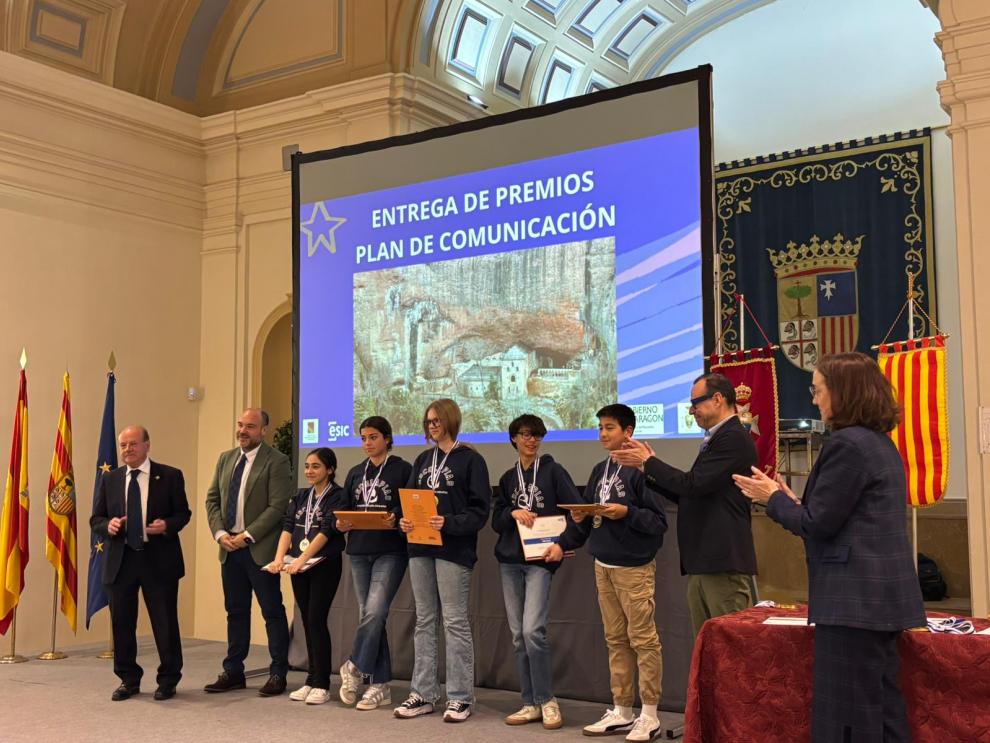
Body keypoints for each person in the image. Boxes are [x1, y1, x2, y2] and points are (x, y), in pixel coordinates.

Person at [733, 352, 925, 742]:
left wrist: (772, 498)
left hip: (853, 601)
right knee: (880, 709)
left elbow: (817, 525)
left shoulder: (847, 445)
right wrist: (791, 501)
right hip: (875, 599)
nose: (815, 399)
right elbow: (843, 515)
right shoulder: (878, 443)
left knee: (848, 716)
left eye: (818, 390)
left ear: (843, 392)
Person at [611, 373, 757, 637]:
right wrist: (648, 469)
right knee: (707, 649)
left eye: (695, 403)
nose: (692, 411)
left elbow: (693, 485)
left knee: (730, 649)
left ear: (717, 399)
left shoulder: (732, 437)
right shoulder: (716, 439)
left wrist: (649, 463)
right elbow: (692, 493)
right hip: (704, 560)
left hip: (722, 561)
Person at [570, 404, 667, 743]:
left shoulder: (642, 470)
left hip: (634, 568)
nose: (602, 434)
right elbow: (591, 509)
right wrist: (582, 516)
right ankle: (622, 710)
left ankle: (650, 715)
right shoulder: (600, 469)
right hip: (603, 565)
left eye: (609, 427)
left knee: (644, 640)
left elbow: (658, 522)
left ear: (628, 431)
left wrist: (626, 513)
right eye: (600, 427)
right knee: (615, 640)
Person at [394, 398, 491, 723]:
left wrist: (448, 523)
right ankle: (423, 693)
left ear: (450, 420)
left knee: (454, 622)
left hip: (453, 550)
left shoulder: (470, 460)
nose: (432, 426)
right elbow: (407, 502)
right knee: (424, 620)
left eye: (437, 421)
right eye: (428, 422)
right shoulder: (422, 460)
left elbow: (479, 511)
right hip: (420, 548)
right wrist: (403, 521)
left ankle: (460, 697)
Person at [492, 414, 582, 730]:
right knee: (519, 636)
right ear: (514, 438)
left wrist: (563, 544)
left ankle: (547, 700)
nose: (532, 440)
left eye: (537, 435)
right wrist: (511, 512)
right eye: (526, 435)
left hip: (539, 562)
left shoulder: (554, 472)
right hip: (510, 562)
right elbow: (496, 520)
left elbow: (578, 514)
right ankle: (529, 702)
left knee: (533, 631)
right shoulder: (507, 478)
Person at [90, 425, 191, 701]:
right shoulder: (110, 479)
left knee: (165, 622)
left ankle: (168, 679)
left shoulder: (169, 475)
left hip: (157, 560)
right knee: (122, 623)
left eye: (133, 444)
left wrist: (166, 525)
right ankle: (128, 679)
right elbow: (95, 519)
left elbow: (183, 513)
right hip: (121, 561)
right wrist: (107, 525)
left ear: (147, 445)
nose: (127, 450)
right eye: (123, 445)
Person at [204, 408, 294, 696]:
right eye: (240, 425)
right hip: (229, 550)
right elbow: (212, 499)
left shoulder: (277, 461)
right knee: (236, 612)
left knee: (272, 612)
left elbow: (278, 506)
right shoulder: (226, 458)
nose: (243, 431)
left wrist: (247, 535)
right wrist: (221, 534)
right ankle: (233, 670)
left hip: (260, 549)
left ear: (263, 431)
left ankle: (278, 672)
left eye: (250, 427)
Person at [337, 417, 412, 711]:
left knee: (375, 610)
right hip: (359, 550)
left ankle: (354, 666)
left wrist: (394, 514)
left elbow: (406, 504)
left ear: (387, 438)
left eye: (373, 437)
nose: (367, 443)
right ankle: (379, 685)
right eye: (364, 438)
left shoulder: (402, 469)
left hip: (391, 550)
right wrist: (342, 523)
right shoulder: (356, 473)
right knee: (370, 615)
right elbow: (345, 508)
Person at [266, 447, 346, 705]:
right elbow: (288, 528)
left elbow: (326, 531)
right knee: (305, 619)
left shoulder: (338, 496)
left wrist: (301, 559)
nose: (310, 471)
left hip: (323, 564)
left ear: (330, 469)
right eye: (307, 466)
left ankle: (322, 682)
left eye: (316, 466)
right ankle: (310, 680)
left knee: (316, 618)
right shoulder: (301, 496)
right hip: (298, 566)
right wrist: (280, 558)